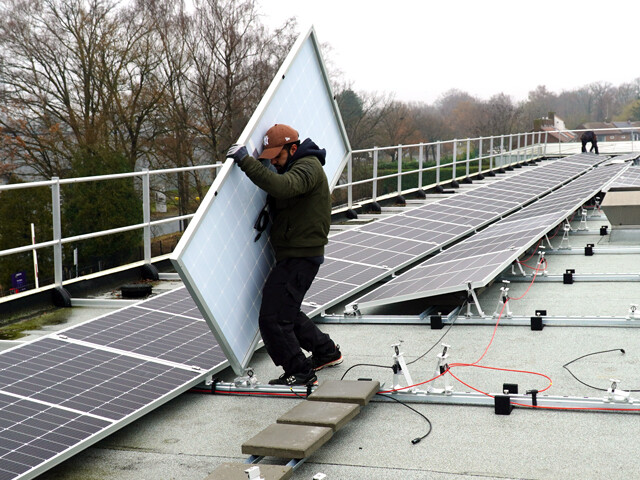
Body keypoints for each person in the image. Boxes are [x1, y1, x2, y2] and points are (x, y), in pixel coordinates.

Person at [227, 124, 342, 386]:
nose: (275, 164)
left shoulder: (307, 167)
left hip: (300, 256)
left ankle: (299, 371)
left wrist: (246, 162)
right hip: (298, 254)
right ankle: (326, 352)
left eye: (278, 157)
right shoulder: (298, 164)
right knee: (287, 310)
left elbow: (283, 187)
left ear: (293, 149)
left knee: (273, 318)